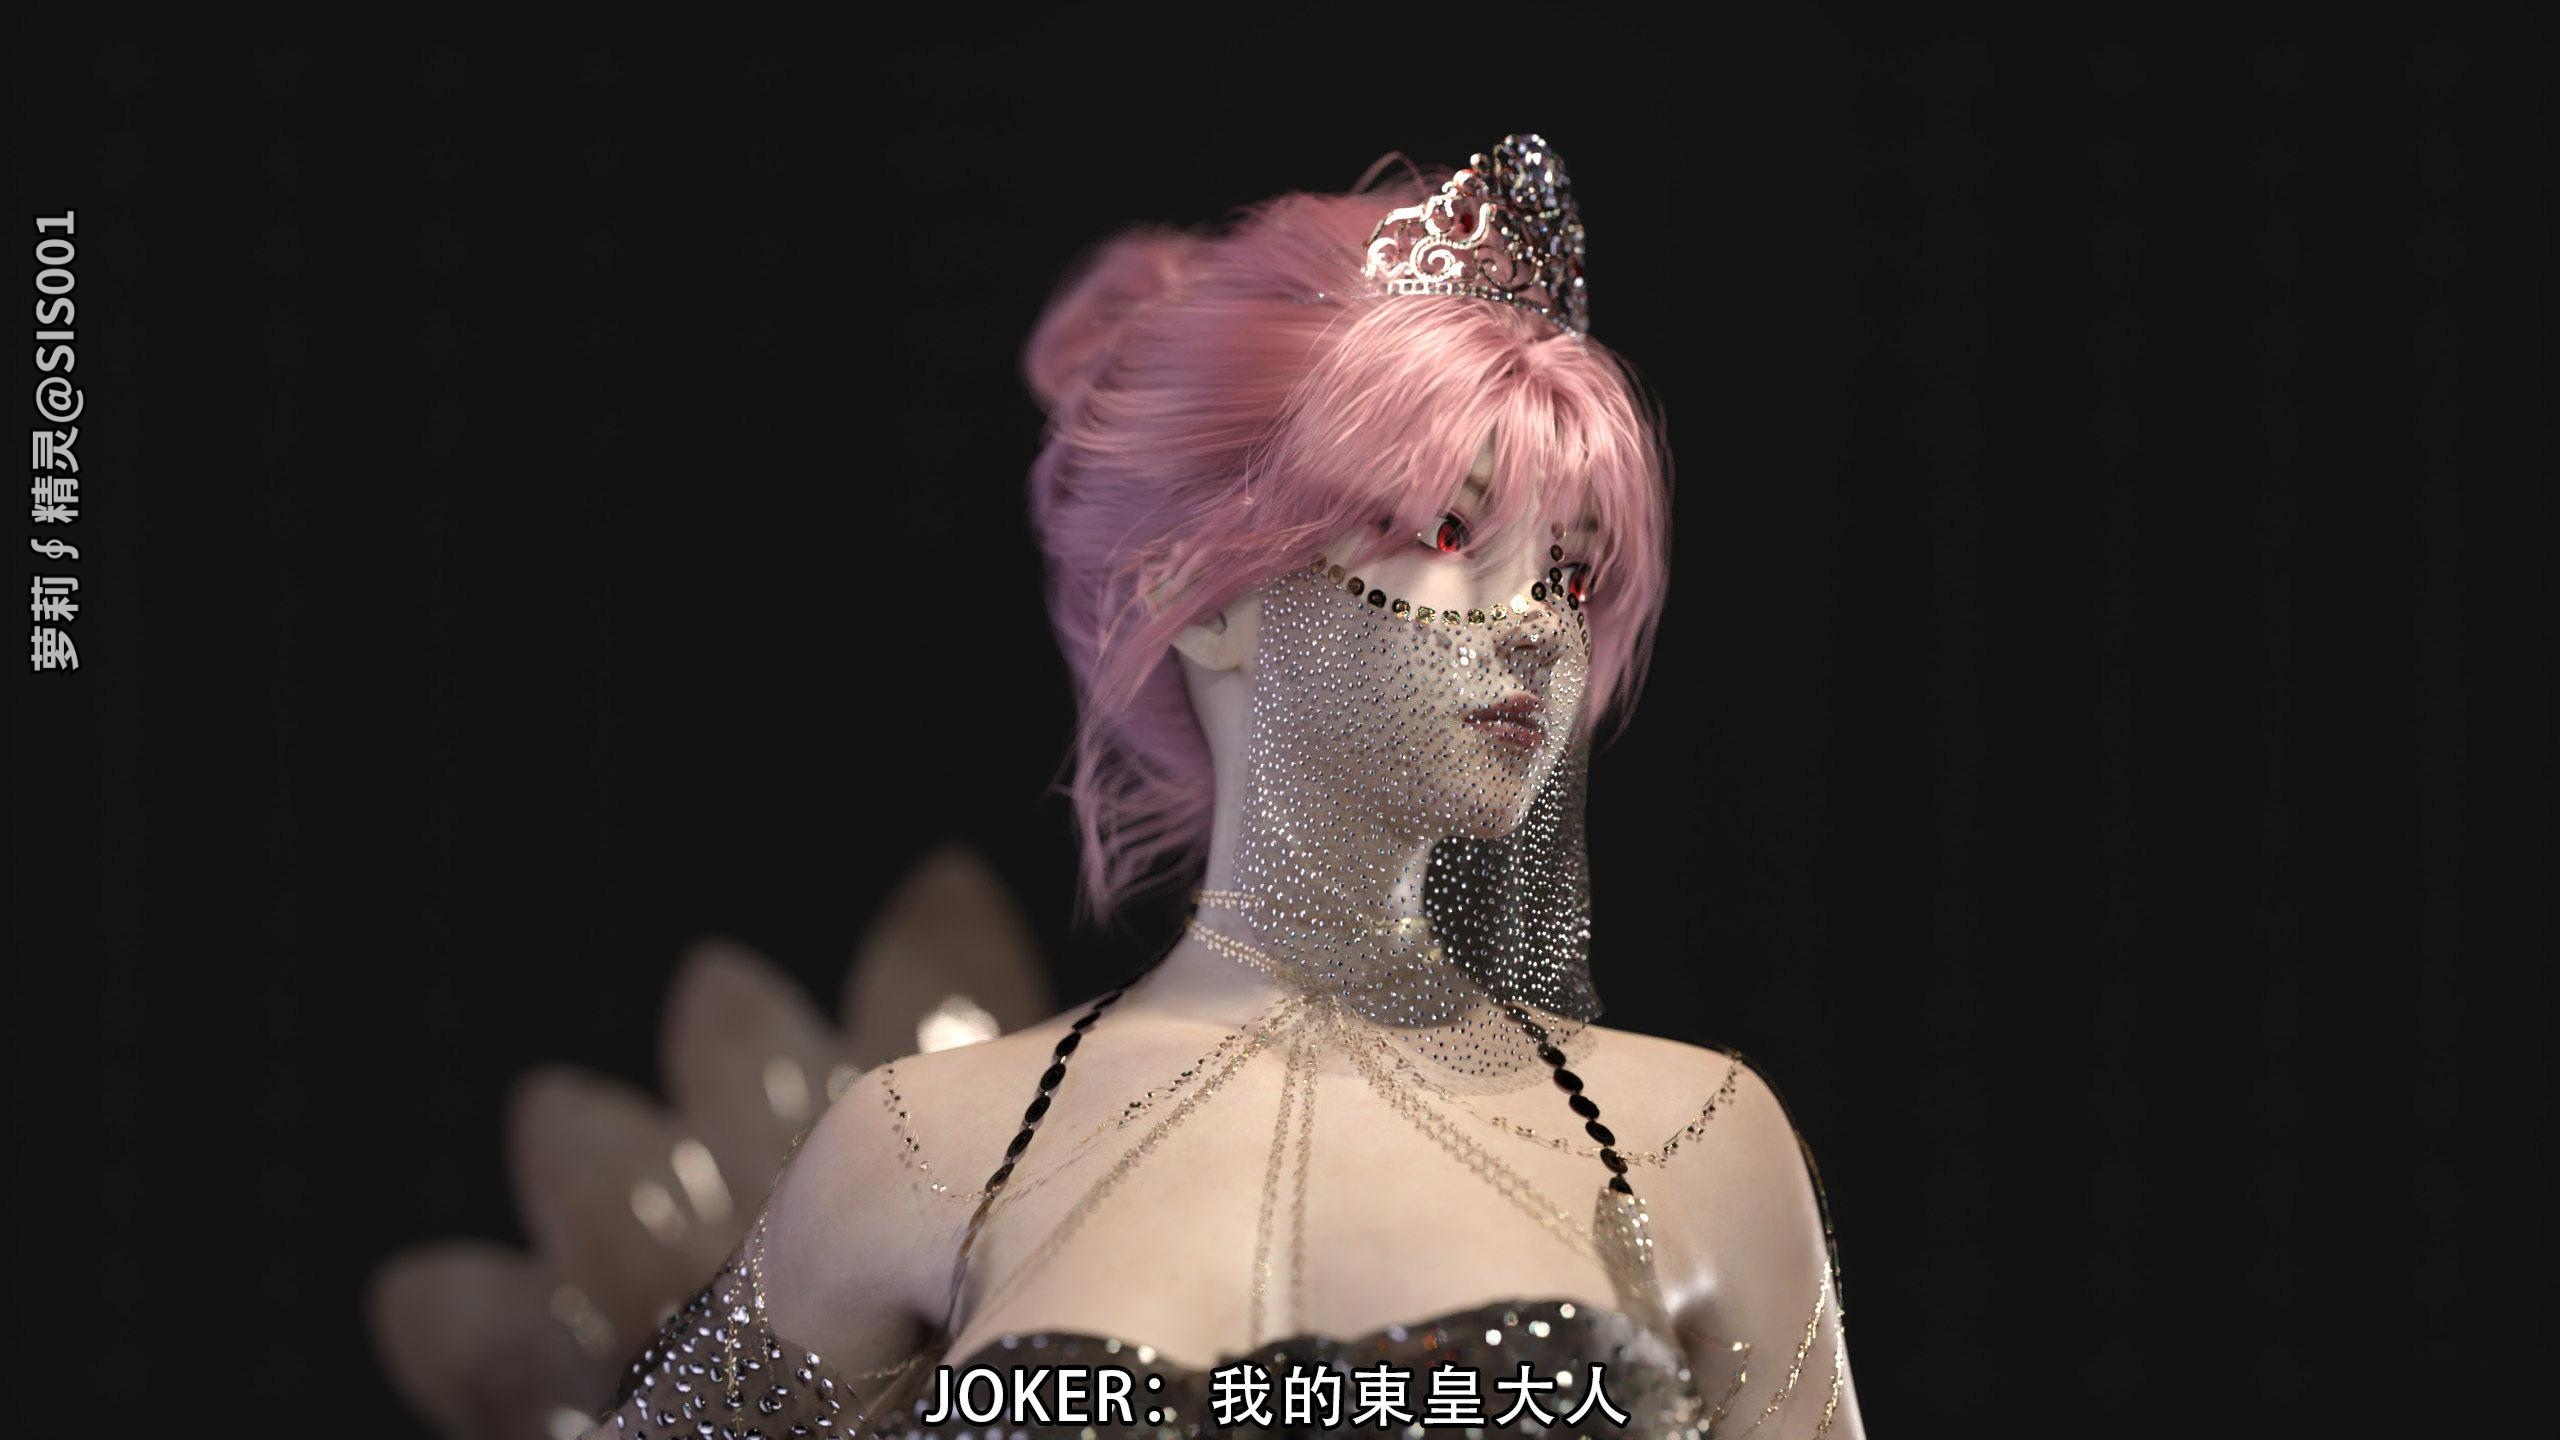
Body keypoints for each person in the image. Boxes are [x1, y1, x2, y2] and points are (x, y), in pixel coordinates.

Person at [587, 134, 1865, 1440]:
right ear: (1199, 600)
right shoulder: (920, 1150)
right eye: (1448, 528)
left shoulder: (1697, 1146)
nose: (1541, 622)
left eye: (1574, 570)